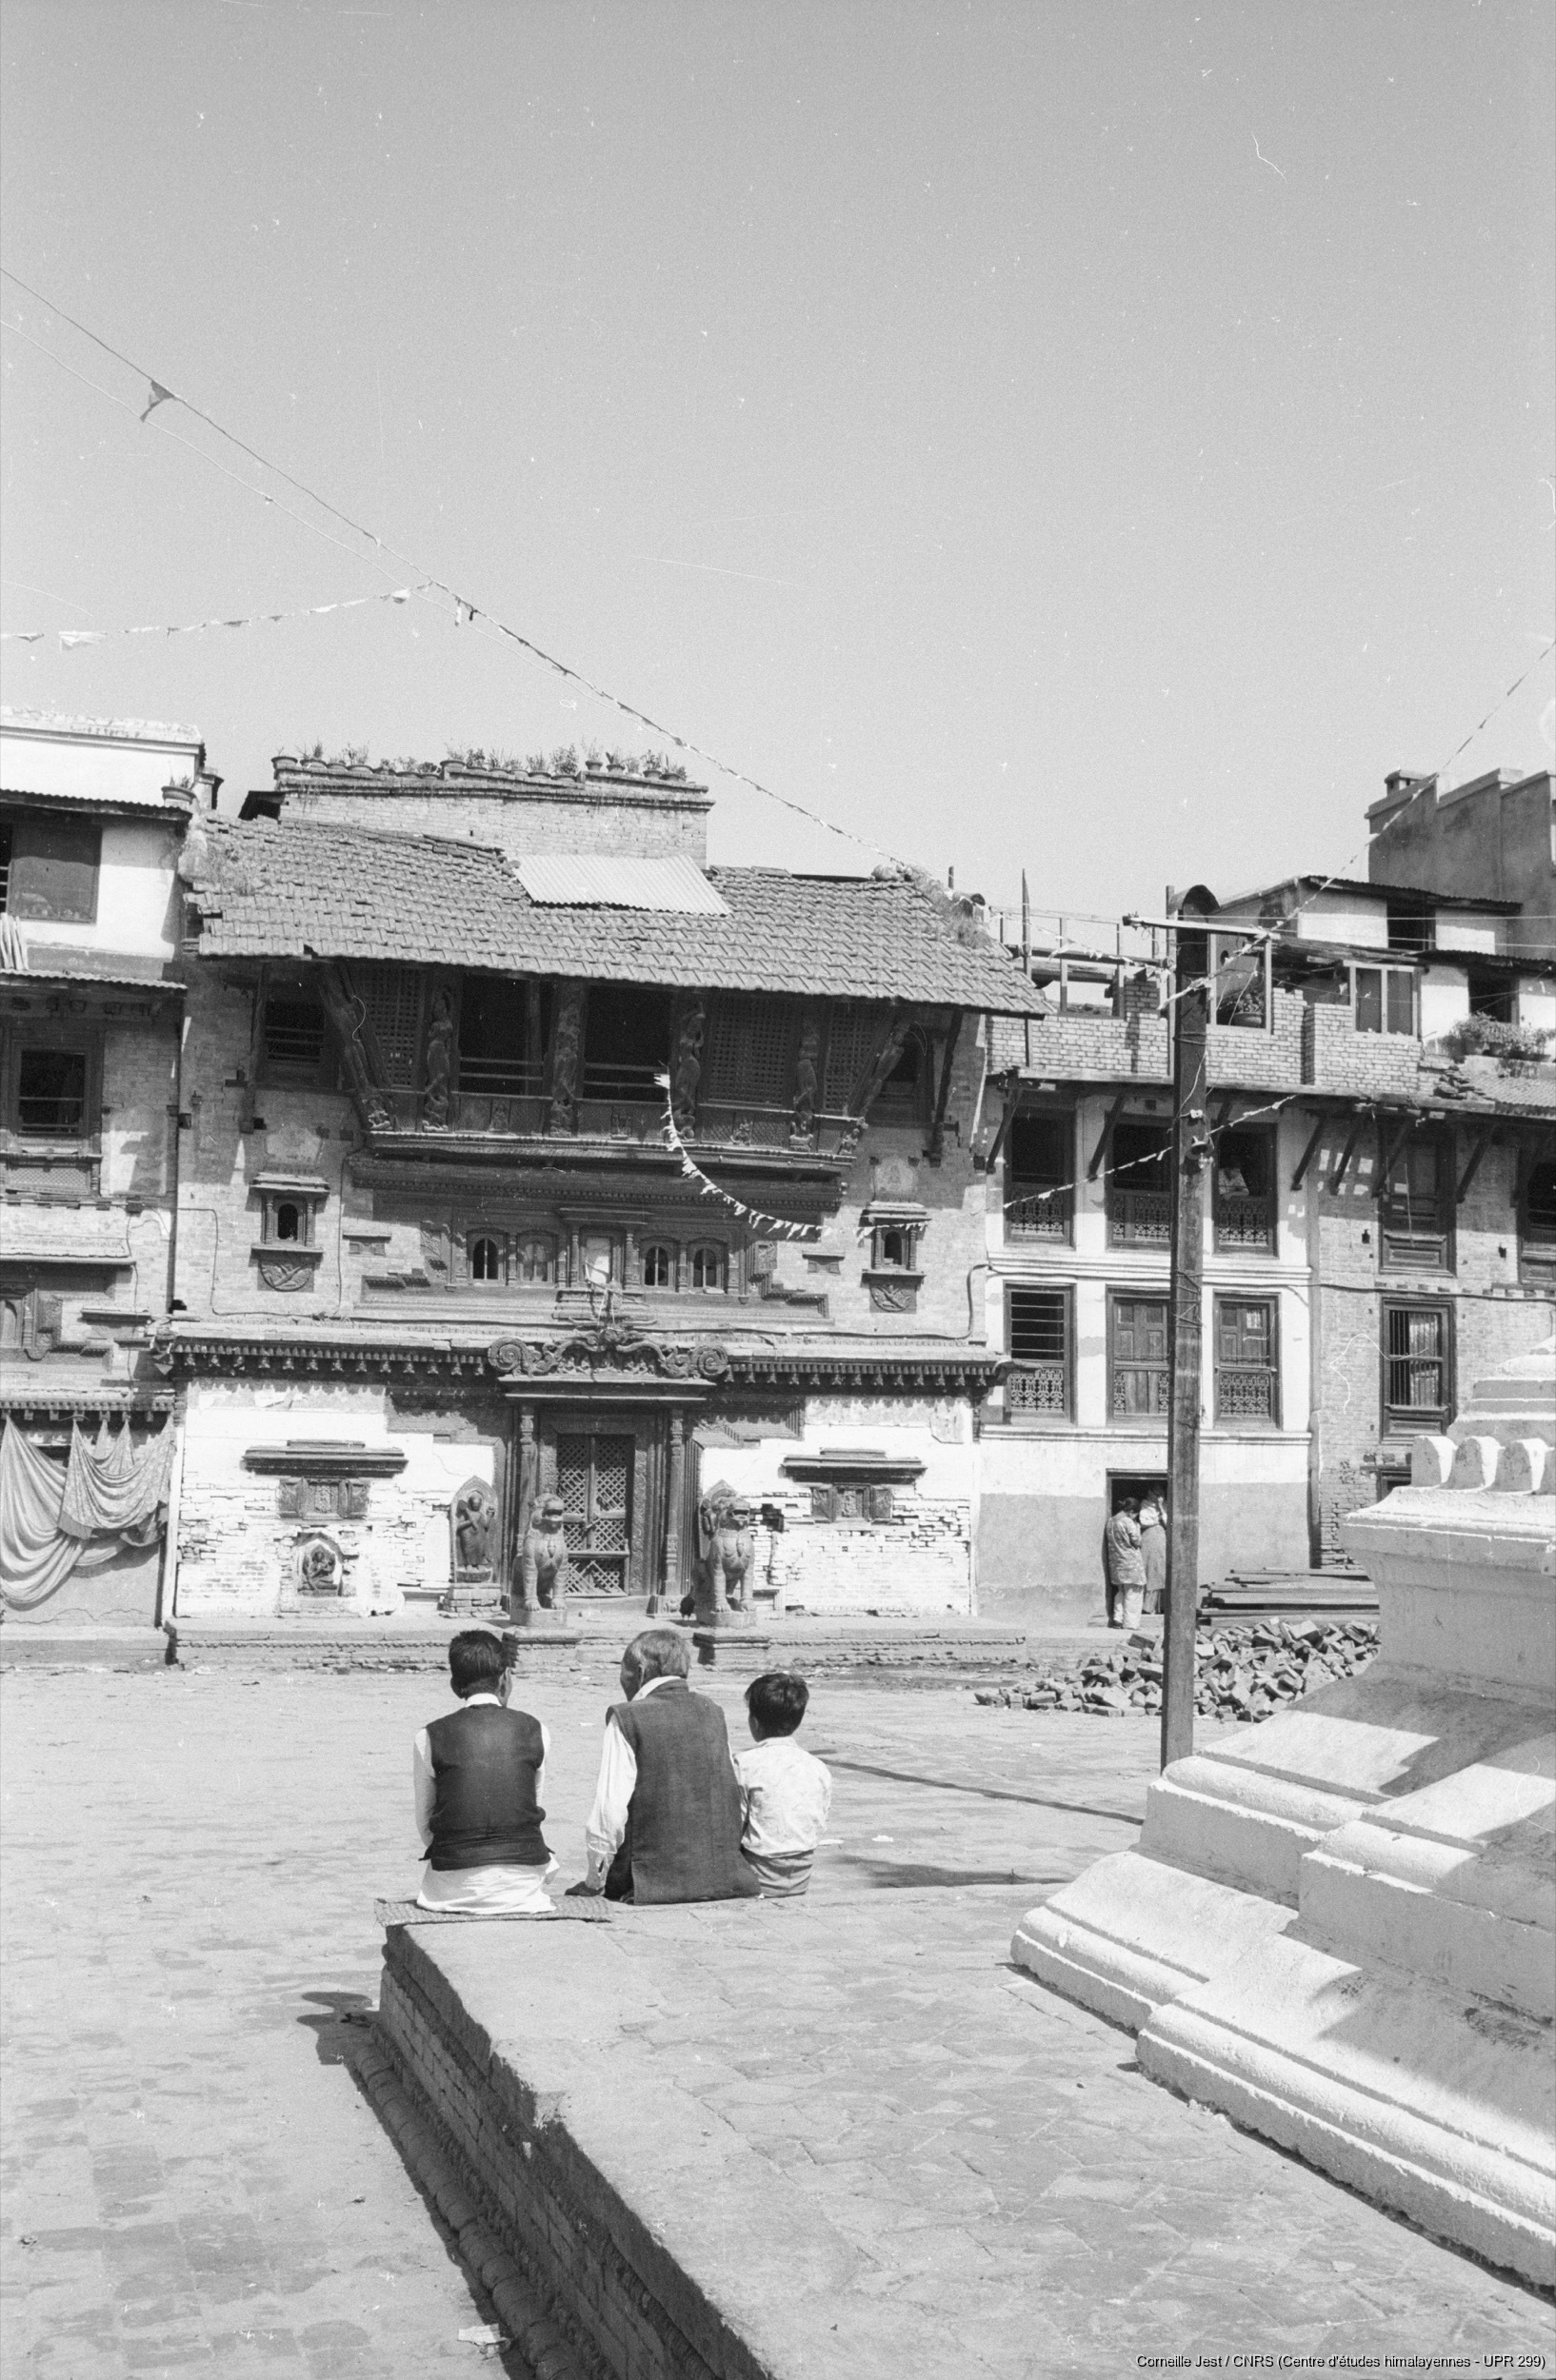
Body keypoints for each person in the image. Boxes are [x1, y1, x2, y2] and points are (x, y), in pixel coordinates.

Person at [573, 1627, 760, 1905]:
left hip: (650, 1881)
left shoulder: (627, 1717)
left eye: (623, 1671)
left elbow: (609, 1812)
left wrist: (594, 1882)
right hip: (722, 1877)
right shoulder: (713, 1711)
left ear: (639, 1672)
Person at [412, 1628, 556, 1914]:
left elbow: (425, 1824)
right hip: (522, 1887)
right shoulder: (536, 1730)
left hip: (452, 1887)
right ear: (506, 1678)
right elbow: (529, 1808)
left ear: (455, 1687)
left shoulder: (428, 1736)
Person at [733, 1671, 832, 1896]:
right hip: (802, 1871)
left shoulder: (744, 1764)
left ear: (754, 1722)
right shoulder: (818, 1767)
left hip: (757, 1871)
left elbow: (735, 1825)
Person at [1103, 1497, 1147, 1630]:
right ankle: (1130, 1624)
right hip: (1131, 1563)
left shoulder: (1111, 1521)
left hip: (1117, 1563)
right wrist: (1138, 1527)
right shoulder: (1128, 1521)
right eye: (1136, 1514)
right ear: (1132, 1511)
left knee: (1121, 1591)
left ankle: (1118, 1619)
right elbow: (1137, 1541)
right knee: (1134, 1593)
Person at [1138, 1495, 1168, 1616]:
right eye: (1155, 1492)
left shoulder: (1165, 1505)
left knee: (1159, 1572)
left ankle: (1159, 1607)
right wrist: (1157, 1521)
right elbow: (1142, 1522)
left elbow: (1167, 1523)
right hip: (1148, 1540)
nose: (1158, 1496)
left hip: (1160, 1540)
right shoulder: (1144, 1504)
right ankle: (1147, 1607)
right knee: (1148, 1571)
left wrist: (1161, 1507)